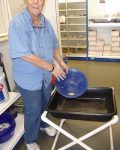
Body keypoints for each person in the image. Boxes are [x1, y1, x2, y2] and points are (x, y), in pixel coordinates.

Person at [8, 0, 68, 149]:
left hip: (45, 77)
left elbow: (54, 46)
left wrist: (61, 62)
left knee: (45, 102)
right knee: (33, 108)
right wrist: (51, 67)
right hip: (27, 78)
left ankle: (42, 124)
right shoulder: (18, 23)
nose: (36, 1)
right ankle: (30, 139)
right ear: (25, 1)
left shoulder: (46, 23)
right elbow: (25, 55)